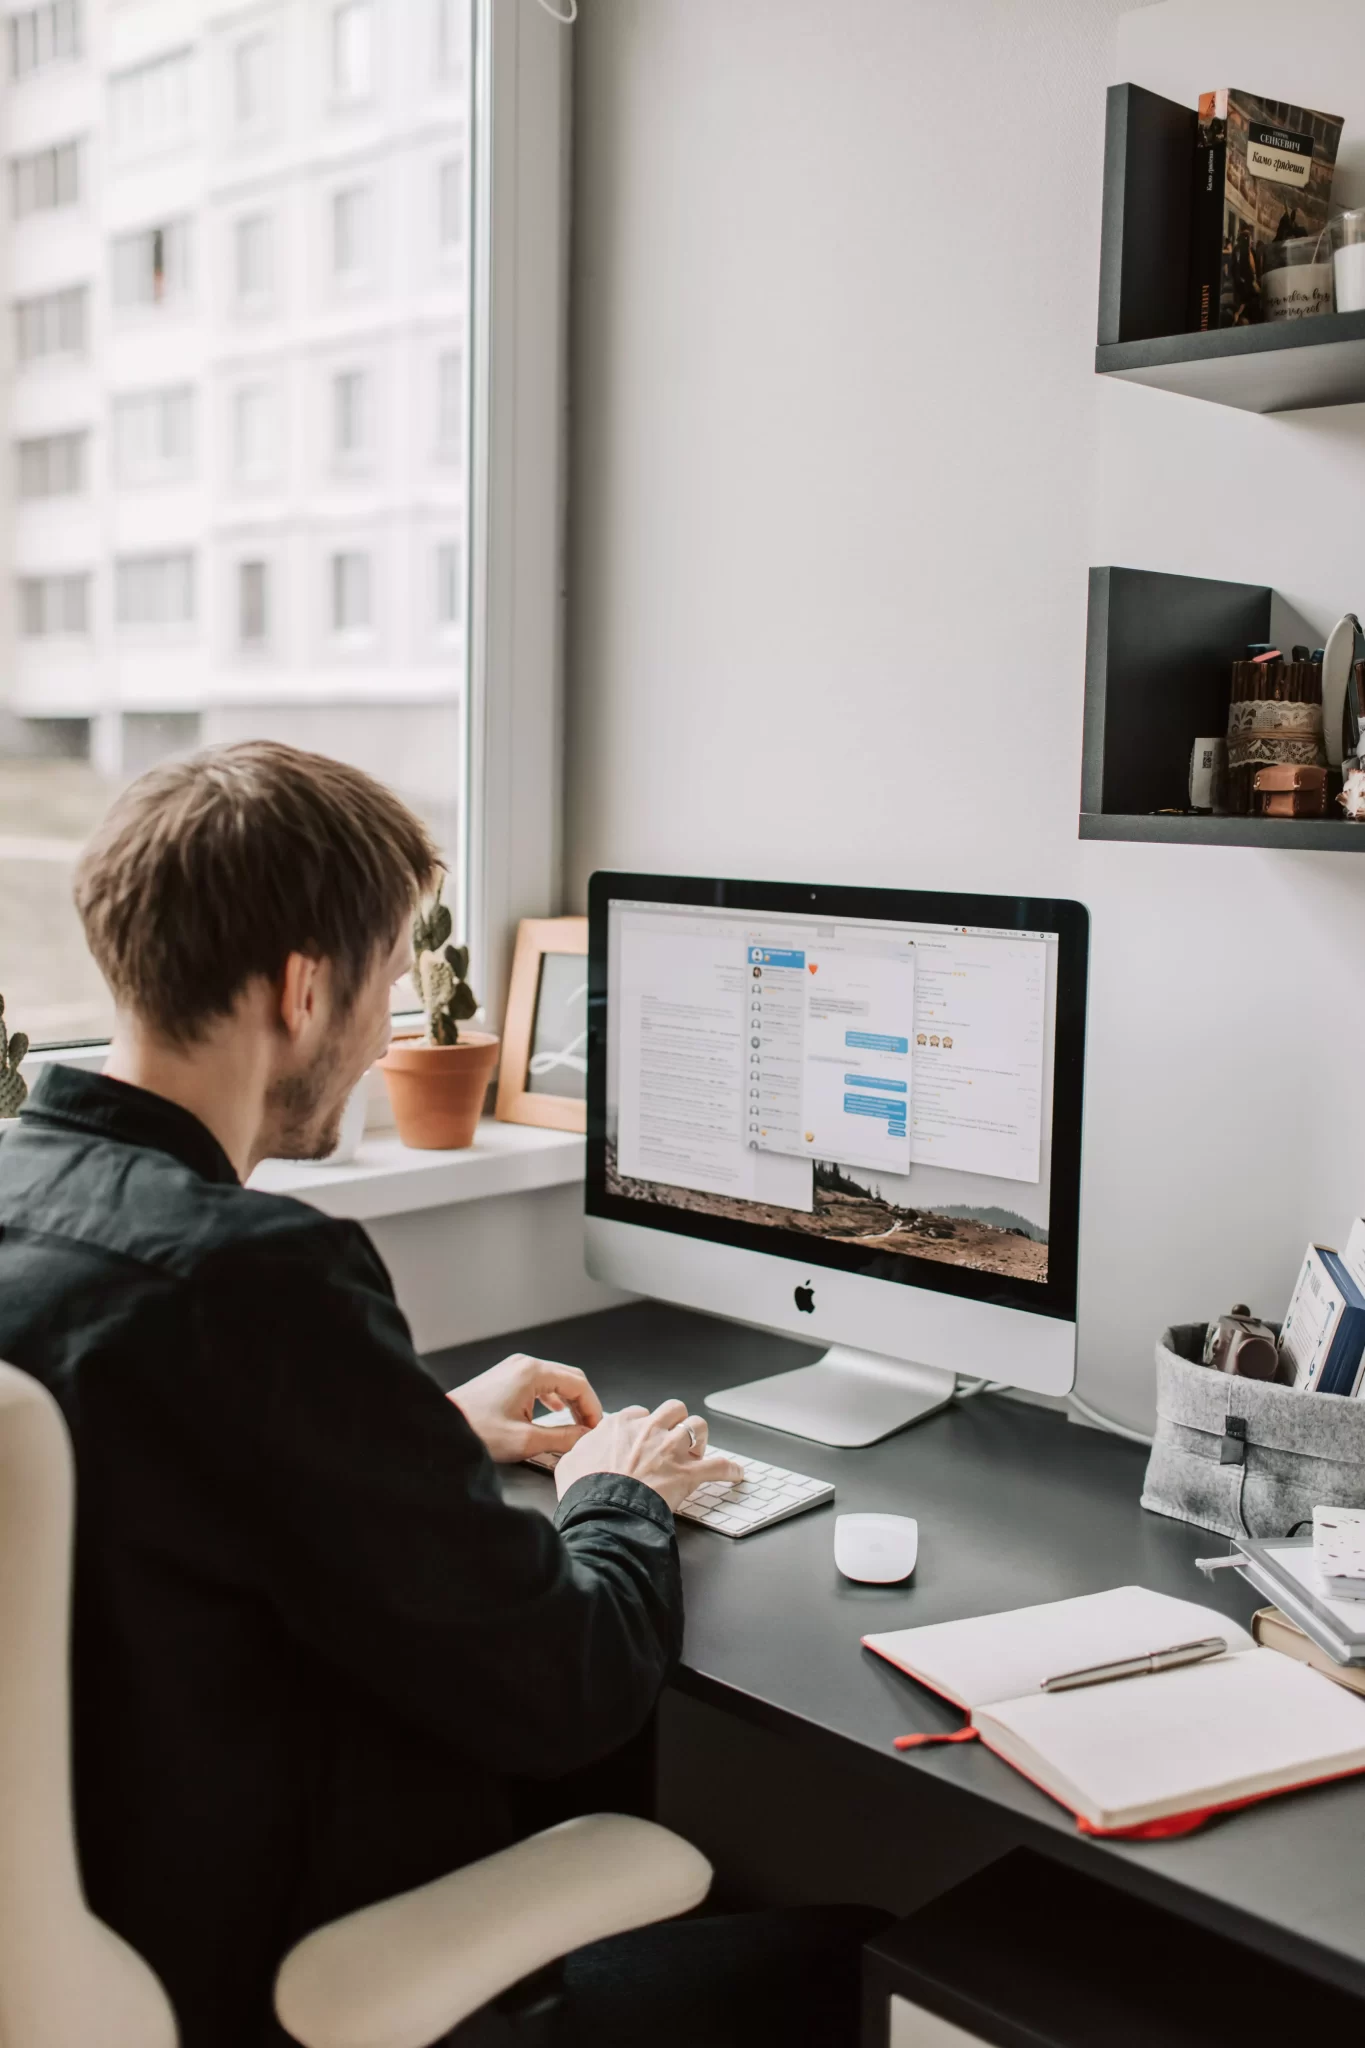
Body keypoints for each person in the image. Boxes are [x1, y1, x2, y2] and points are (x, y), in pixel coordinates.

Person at [0, 743, 881, 2048]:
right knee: (854, 1957)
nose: (384, 1038)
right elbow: (567, 1687)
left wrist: (419, 1434)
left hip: (108, 1900)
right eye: (388, 988)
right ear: (303, 989)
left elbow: (110, 1474)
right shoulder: (252, 1276)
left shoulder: (31, 1202)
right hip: (257, 1960)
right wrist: (614, 1494)